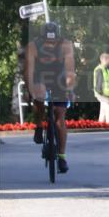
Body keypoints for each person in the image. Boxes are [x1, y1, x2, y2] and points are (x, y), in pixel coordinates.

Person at [25, 21, 75, 174]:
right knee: (38, 95)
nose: (50, 44)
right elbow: (29, 71)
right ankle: (39, 125)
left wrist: (70, 89)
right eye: (47, 41)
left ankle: (61, 157)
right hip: (40, 76)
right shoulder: (33, 46)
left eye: (53, 41)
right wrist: (30, 90)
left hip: (58, 78)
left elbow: (69, 69)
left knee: (60, 114)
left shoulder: (66, 45)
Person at [92, 52, 109, 123]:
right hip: (102, 93)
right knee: (108, 108)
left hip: (107, 93)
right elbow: (99, 82)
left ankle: (101, 123)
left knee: (103, 109)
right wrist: (100, 92)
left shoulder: (107, 70)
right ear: (104, 59)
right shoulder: (100, 69)